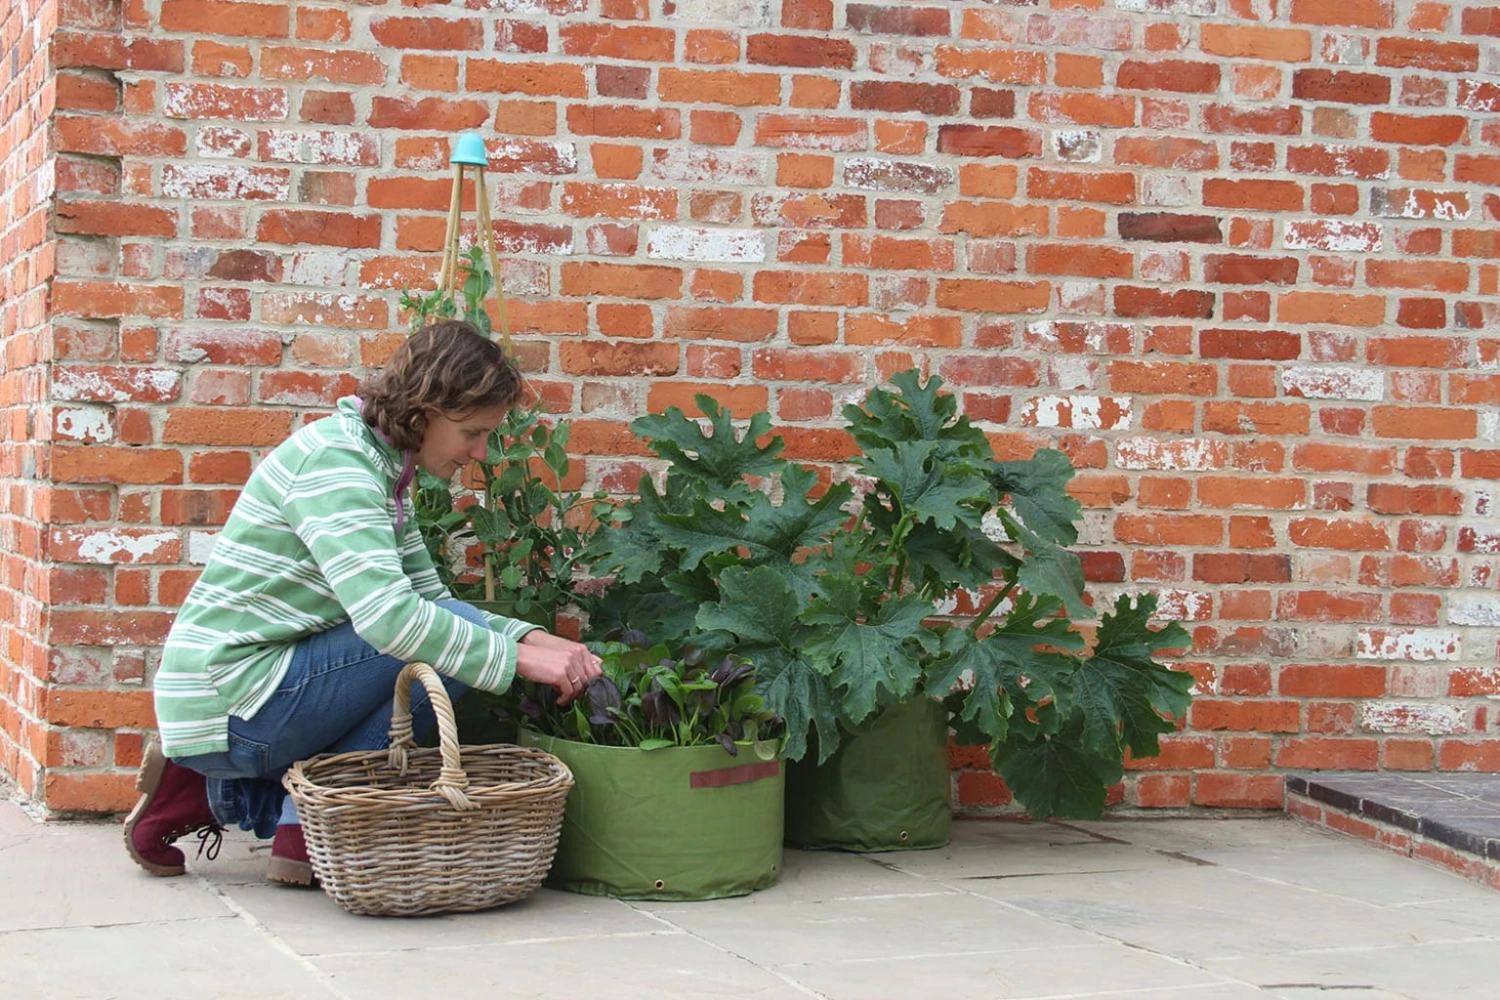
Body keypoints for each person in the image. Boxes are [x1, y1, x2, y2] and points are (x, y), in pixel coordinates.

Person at [123, 319, 602, 885]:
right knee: (440, 651)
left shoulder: (382, 469)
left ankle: (228, 798)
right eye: (473, 431)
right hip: (233, 697)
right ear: (425, 410)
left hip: (253, 691)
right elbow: (389, 618)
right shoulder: (337, 465)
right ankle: (275, 811)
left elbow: (429, 600)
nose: (479, 451)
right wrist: (518, 660)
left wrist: (529, 636)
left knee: (449, 642)